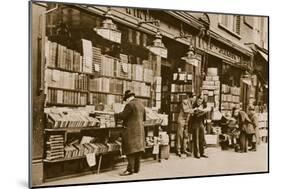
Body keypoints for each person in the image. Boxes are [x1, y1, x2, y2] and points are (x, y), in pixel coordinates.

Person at [114, 90, 146, 176]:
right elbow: (144, 118)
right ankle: (136, 169)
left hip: (131, 131)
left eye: (126, 99)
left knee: (130, 150)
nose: (126, 101)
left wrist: (115, 114)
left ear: (128, 98)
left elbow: (123, 116)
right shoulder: (141, 104)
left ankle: (129, 170)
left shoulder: (130, 104)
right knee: (138, 150)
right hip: (140, 131)